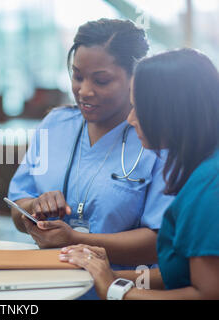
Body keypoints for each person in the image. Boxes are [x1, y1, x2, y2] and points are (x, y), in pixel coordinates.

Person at [8, 18, 174, 267]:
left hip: (123, 287)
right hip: (48, 281)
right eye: (77, 76)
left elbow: (160, 241)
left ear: (135, 77)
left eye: (101, 81)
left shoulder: (157, 139)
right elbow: (17, 208)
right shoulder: (55, 125)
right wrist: (35, 207)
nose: (84, 91)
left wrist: (74, 239)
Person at [60, 48, 219, 300]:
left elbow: (207, 294)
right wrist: (103, 273)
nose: (131, 119)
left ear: (170, 112)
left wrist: (115, 292)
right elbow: (181, 274)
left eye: (137, 108)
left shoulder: (210, 187)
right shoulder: (202, 169)